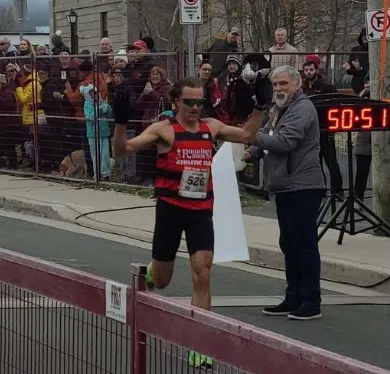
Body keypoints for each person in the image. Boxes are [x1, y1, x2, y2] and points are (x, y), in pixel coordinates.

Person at [111, 76, 272, 368]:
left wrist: (260, 107)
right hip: (170, 211)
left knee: (203, 272)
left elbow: (248, 136)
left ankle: (200, 344)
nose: (196, 107)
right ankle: (150, 272)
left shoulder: (211, 127)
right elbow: (121, 150)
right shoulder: (164, 130)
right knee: (162, 280)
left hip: (200, 211)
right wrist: (120, 122)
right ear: (177, 102)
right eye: (190, 102)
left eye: (200, 102)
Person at [241, 66, 327, 321]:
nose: (278, 88)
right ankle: (293, 297)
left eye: (283, 84)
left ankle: (311, 302)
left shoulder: (302, 109)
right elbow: (269, 135)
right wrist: (249, 153)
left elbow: (284, 142)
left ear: (297, 85)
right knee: (289, 244)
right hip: (285, 186)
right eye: (275, 84)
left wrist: (249, 137)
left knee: (303, 244)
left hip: (303, 186)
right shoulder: (278, 109)